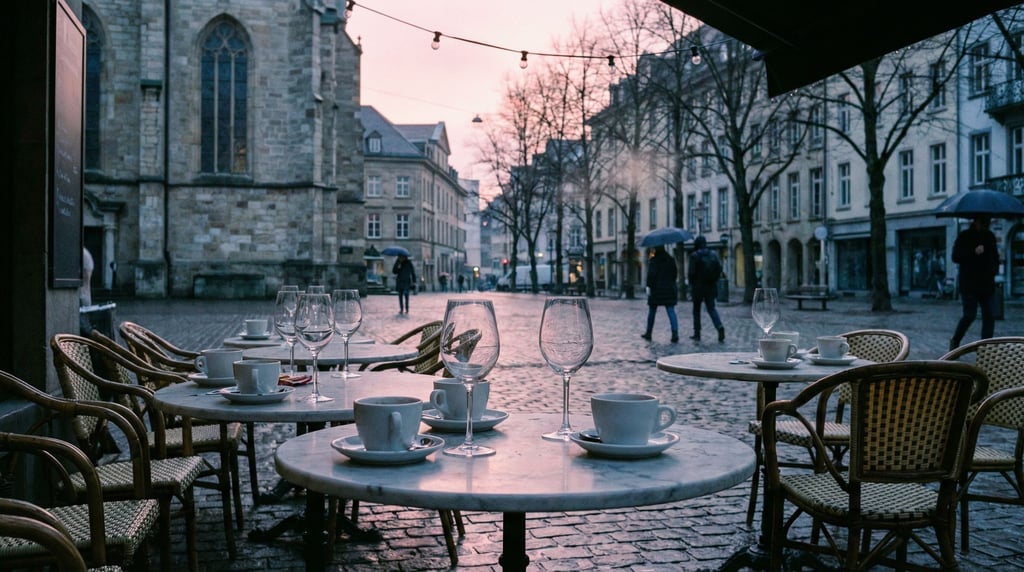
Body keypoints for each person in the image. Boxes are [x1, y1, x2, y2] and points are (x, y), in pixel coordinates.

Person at [950, 215, 1000, 350]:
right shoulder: (965, 236)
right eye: (984, 223)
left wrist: (994, 270)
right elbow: (955, 256)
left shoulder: (989, 236)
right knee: (969, 315)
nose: (986, 225)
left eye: (988, 223)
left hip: (987, 284)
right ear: (976, 221)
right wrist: (973, 252)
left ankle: (986, 347)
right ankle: (955, 339)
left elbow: (995, 256)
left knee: (989, 316)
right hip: (969, 284)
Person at [687, 235, 726, 343]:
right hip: (710, 286)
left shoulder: (694, 255)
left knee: (696, 310)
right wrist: (714, 280)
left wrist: (691, 285)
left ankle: (697, 333)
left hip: (698, 287)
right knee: (711, 309)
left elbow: (691, 273)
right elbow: (719, 269)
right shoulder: (713, 254)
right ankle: (719, 326)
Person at [641, 245, 680, 343]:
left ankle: (649, 332)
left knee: (652, 311)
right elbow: (675, 273)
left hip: (656, 290)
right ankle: (675, 333)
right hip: (669, 289)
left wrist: (649, 286)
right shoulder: (670, 259)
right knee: (671, 310)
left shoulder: (654, 261)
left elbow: (651, 275)